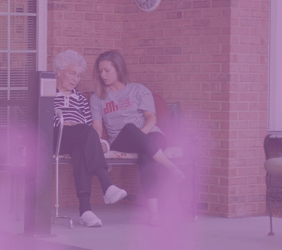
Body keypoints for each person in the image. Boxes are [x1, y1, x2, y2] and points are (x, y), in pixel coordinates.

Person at [90, 50, 185, 226]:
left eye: (107, 70)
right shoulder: (98, 98)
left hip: (151, 134)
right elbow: (97, 126)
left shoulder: (138, 90)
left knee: (145, 155)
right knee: (129, 129)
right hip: (122, 140)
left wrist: (139, 135)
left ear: (118, 69)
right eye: (100, 71)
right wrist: (96, 140)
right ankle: (171, 167)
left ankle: (154, 214)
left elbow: (151, 118)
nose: (103, 75)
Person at [52, 50, 128, 227]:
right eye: (72, 73)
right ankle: (106, 184)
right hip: (58, 137)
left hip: (79, 138)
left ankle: (85, 211)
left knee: (81, 150)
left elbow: (88, 122)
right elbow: (44, 118)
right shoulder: (48, 93)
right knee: (84, 132)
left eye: (79, 75)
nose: (76, 79)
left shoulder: (80, 98)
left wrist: (100, 142)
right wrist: (65, 124)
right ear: (59, 72)